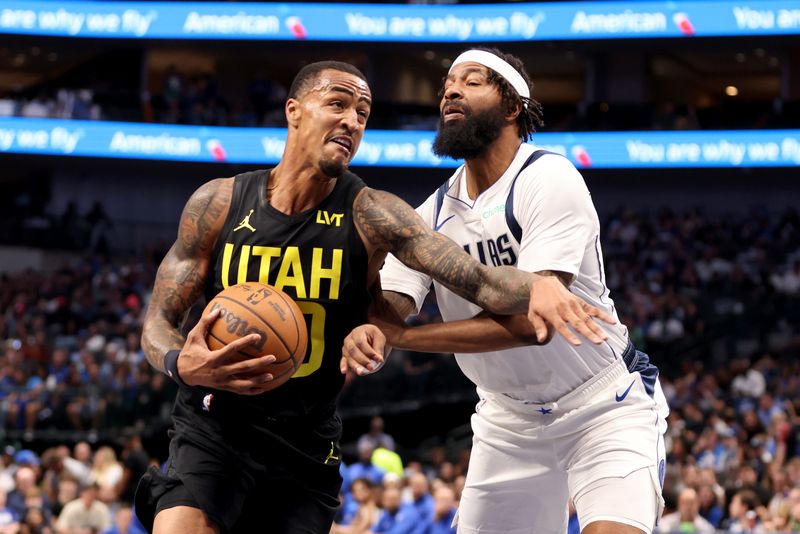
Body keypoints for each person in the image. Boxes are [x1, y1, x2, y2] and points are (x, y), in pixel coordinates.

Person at [134, 59, 614, 534]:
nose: (351, 121)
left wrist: (542, 283)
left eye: (362, 113)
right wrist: (181, 362)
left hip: (304, 441)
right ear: (294, 110)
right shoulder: (217, 203)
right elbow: (157, 322)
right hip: (214, 426)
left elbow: (481, 281)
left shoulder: (376, 216)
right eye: (337, 104)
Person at [342, 48, 669, 534]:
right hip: (508, 421)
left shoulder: (548, 178)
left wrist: (402, 338)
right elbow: (390, 306)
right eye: (447, 84)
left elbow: (530, 325)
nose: (450, 91)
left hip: (602, 406)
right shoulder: (432, 213)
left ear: (512, 105)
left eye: (471, 81)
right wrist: (370, 327)